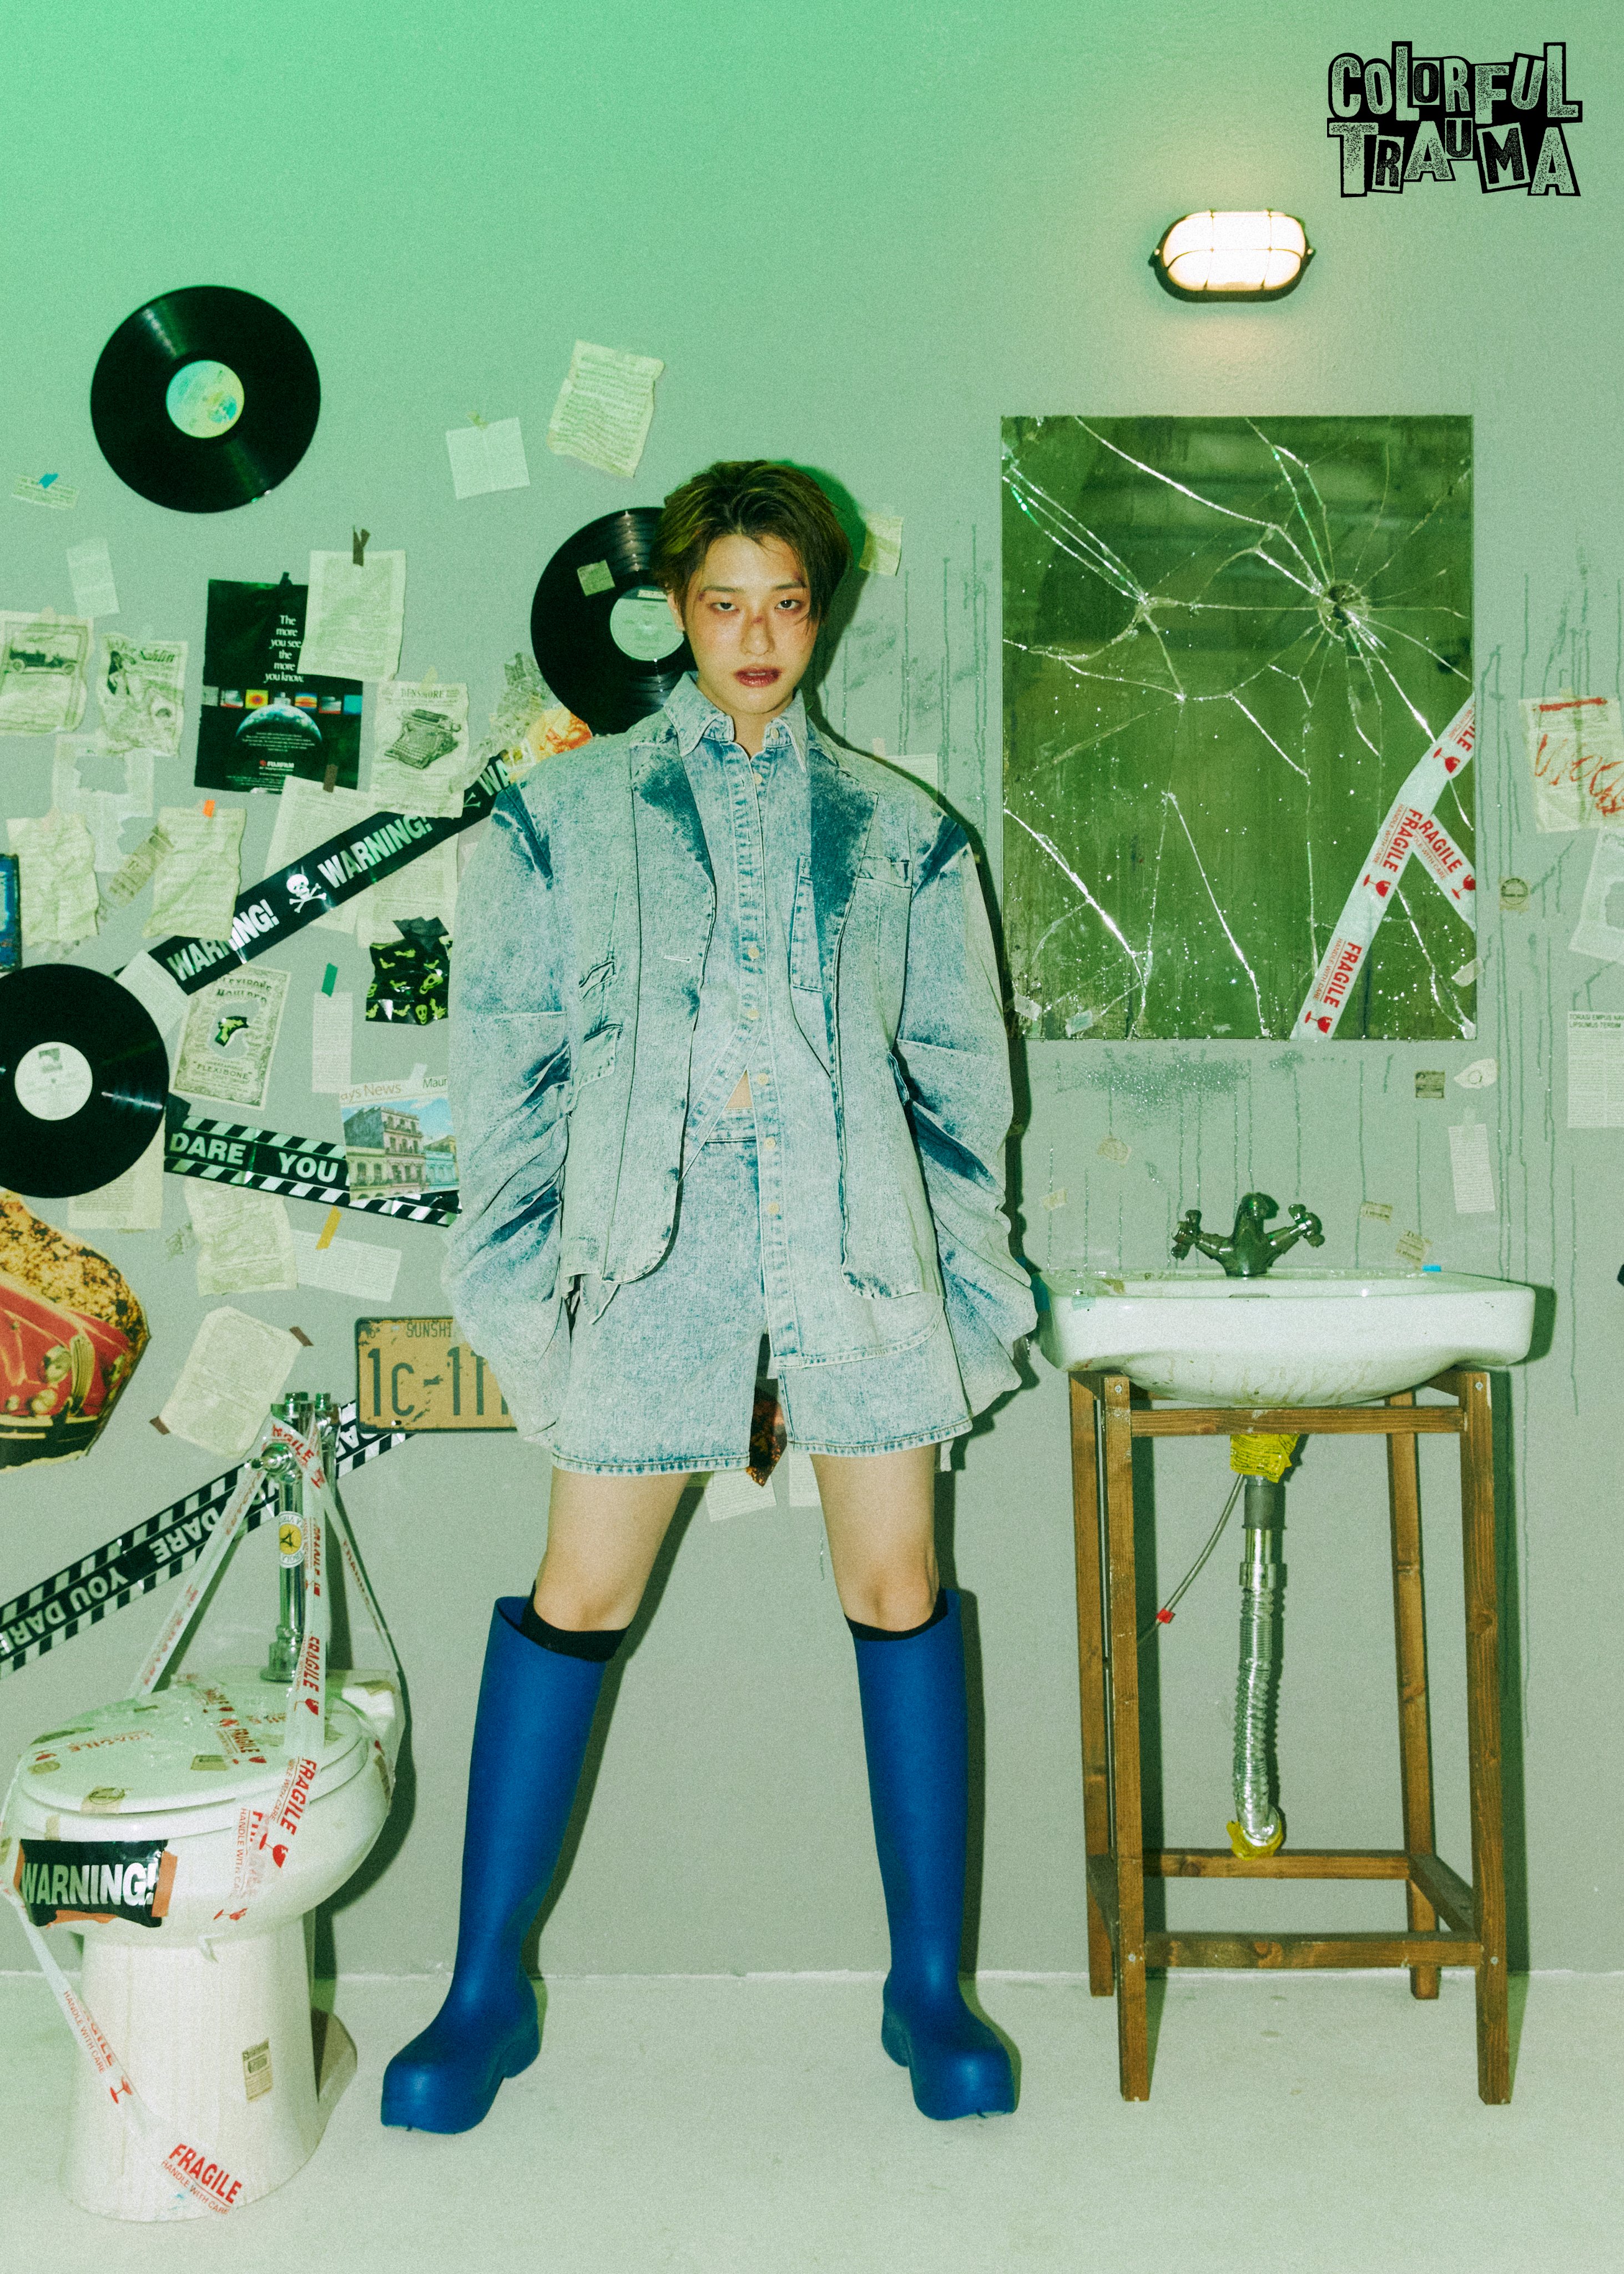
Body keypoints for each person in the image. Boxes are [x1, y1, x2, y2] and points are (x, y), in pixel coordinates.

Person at [382, 462, 1035, 2135]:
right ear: (677, 611)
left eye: (788, 604)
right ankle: (482, 1992)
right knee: (578, 1593)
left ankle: (928, 1990)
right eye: (726, 602)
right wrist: (523, 1277)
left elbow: (963, 1088)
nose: (757, 637)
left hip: (857, 1250)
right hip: (646, 1254)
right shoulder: (561, 819)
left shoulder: (903, 832)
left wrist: (954, 1274)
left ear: (822, 616)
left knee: (898, 1587)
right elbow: (507, 1069)